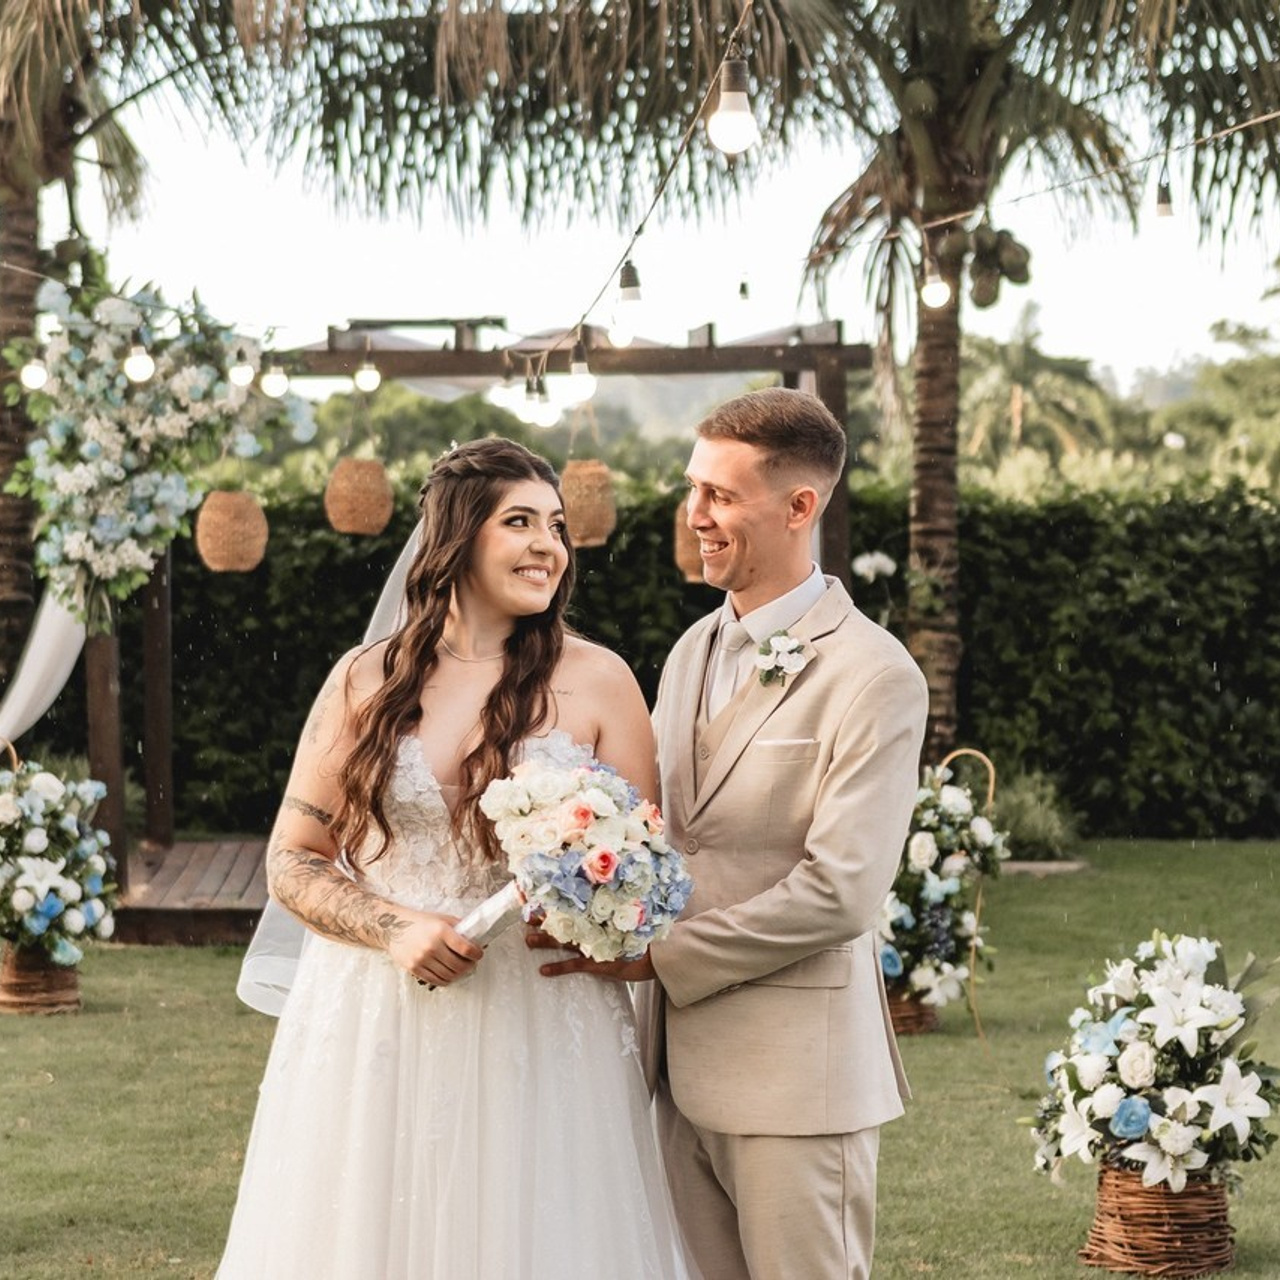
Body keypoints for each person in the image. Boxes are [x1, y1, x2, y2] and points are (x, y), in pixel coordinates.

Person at [218, 438, 691, 1279]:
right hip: (376, 1012)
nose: (549, 544)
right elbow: (292, 860)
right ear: (455, 538)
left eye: (555, 525)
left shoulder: (601, 681)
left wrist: (595, 910)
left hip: (541, 1023)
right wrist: (394, 928)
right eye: (519, 522)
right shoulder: (366, 680)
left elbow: (649, 871)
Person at [534, 388, 929, 1279]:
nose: (695, 516)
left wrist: (657, 959)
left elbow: (842, 891)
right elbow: (668, 836)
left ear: (801, 507)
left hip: (797, 1079)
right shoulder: (687, 653)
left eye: (720, 494)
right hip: (675, 1069)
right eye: (692, 489)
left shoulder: (875, 675)